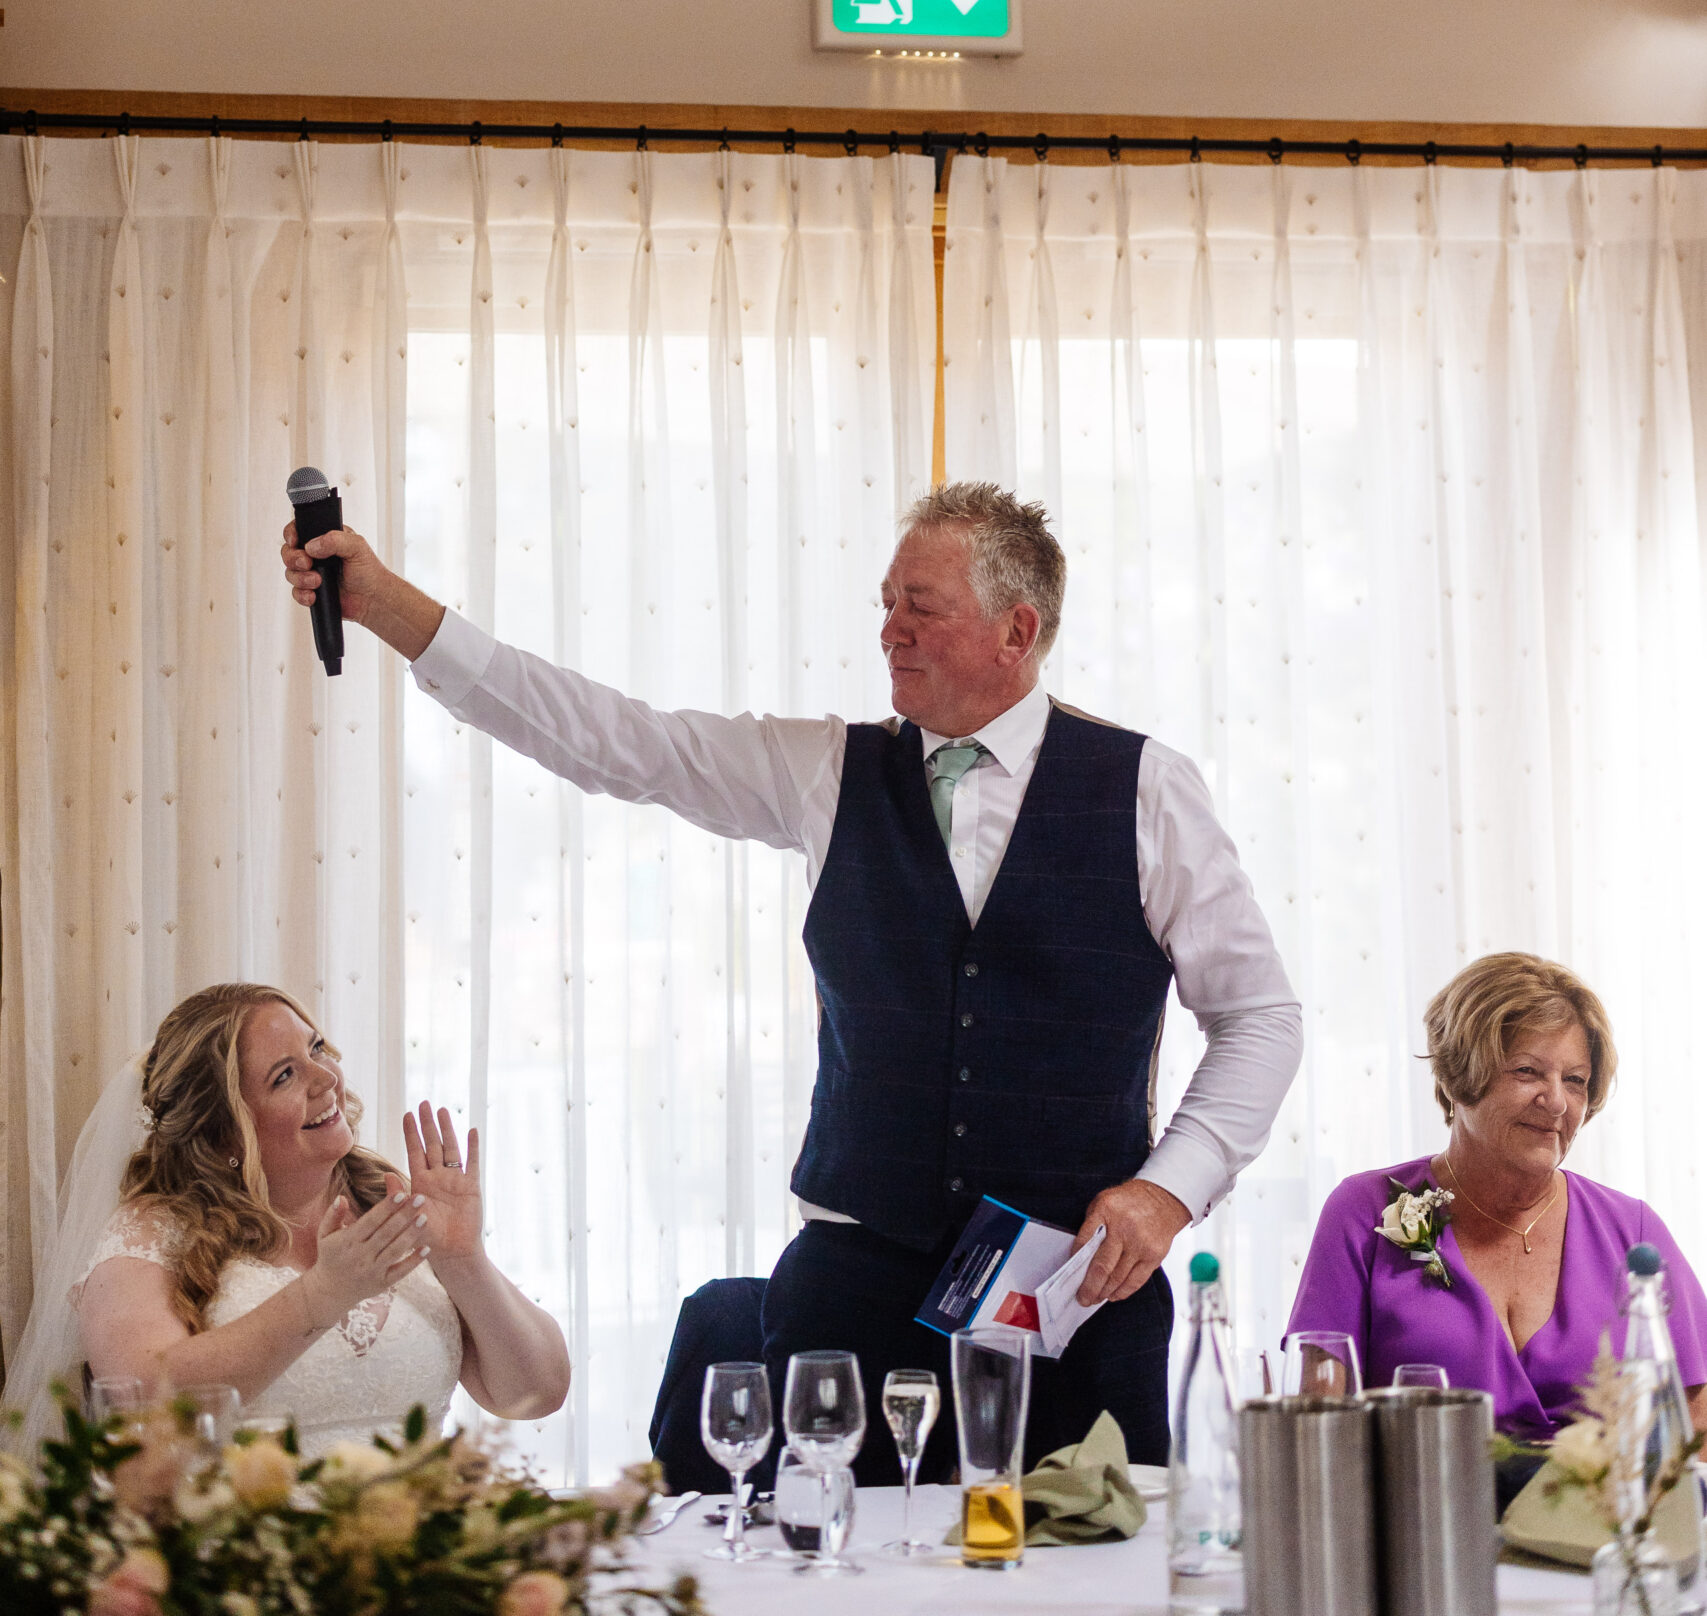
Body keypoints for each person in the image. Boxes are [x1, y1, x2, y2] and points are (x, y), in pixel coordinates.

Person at [283, 480, 1302, 1477]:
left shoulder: (1146, 788)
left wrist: (1167, 1194)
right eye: (885, 603)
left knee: (1096, 1583)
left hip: (1078, 1296)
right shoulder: (824, 769)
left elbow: (1260, 1016)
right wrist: (386, 607)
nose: (889, 629)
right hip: (851, 1298)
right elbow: (613, 739)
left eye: (920, 606)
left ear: (1016, 630)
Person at [2, 982, 569, 1457]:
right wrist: (320, 1296)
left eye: (317, 1049)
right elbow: (143, 1396)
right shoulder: (153, 1230)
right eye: (285, 1076)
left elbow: (537, 1392)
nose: (326, 1080)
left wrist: (464, 1260)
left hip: (416, 1553)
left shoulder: (390, 1201)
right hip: (252, 1565)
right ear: (223, 1127)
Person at [1288, 951, 1707, 1444]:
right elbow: (1318, 1420)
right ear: (1459, 1076)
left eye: (1575, 1081)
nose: (1556, 1102)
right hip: (1422, 1509)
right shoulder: (1363, 1211)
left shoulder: (1633, 1232)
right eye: (1528, 1071)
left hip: (1593, 1516)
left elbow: (1697, 1420)